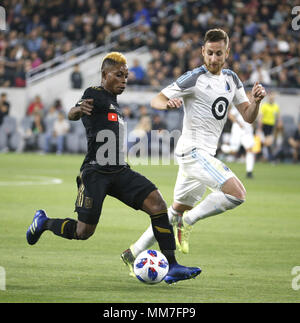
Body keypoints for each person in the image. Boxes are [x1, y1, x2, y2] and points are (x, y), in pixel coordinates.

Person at [26, 52, 201, 284]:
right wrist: (78, 110)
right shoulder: (95, 94)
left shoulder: (115, 104)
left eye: (126, 76)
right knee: (83, 232)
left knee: (158, 205)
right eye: (119, 75)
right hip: (95, 172)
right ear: (104, 75)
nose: (124, 80)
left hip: (119, 171)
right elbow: (73, 112)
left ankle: (172, 266)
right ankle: (44, 222)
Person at [121, 28, 266, 261]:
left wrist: (256, 101)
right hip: (192, 151)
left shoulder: (232, 79)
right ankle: (188, 222)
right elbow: (156, 99)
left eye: (218, 54)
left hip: (205, 155)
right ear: (202, 51)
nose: (213, 59)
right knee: (238, 194)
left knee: (174, 211)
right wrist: (167, 105)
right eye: (209, 53)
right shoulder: (194, 78)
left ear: (226, 53)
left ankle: (133, 252)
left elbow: (248, 116)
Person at [221, 102, 255, 178]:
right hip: (237, 130)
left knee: (250, 150)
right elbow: (230, 115)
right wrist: (238, 123)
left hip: (247, 132)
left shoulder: (253, 105)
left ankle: (249, 172)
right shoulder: (241, 104)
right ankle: (223, 148)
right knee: (233, 151)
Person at [258, 91, 280, 161]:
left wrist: (279, 125)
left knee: (268, 142)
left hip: (272, 126)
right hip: (265, 125)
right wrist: (260, 127)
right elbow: (261, 116)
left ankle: (266, 157)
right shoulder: (264, 105)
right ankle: (268, 157)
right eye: (271, 96)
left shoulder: (276, 106)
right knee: (266, 142)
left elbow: (278, 117)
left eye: (273, 96)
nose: (272, 98)